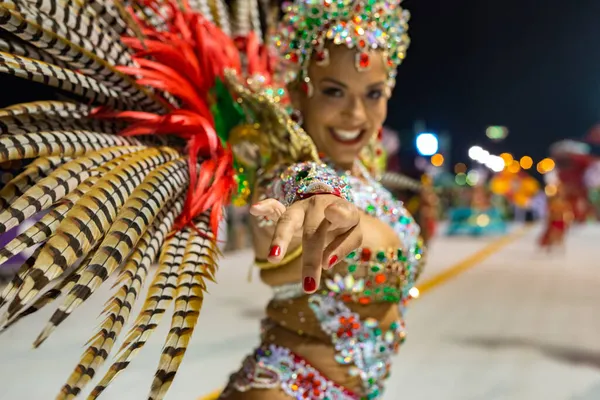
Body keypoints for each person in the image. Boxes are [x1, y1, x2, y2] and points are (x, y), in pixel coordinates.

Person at [0, 1, 425, 400]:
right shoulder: (281, 174)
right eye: (334, 91)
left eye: (372, 93)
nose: (355, 113)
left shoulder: (370, 179)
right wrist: (317, 193)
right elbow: (295, 184)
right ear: (298, 94)